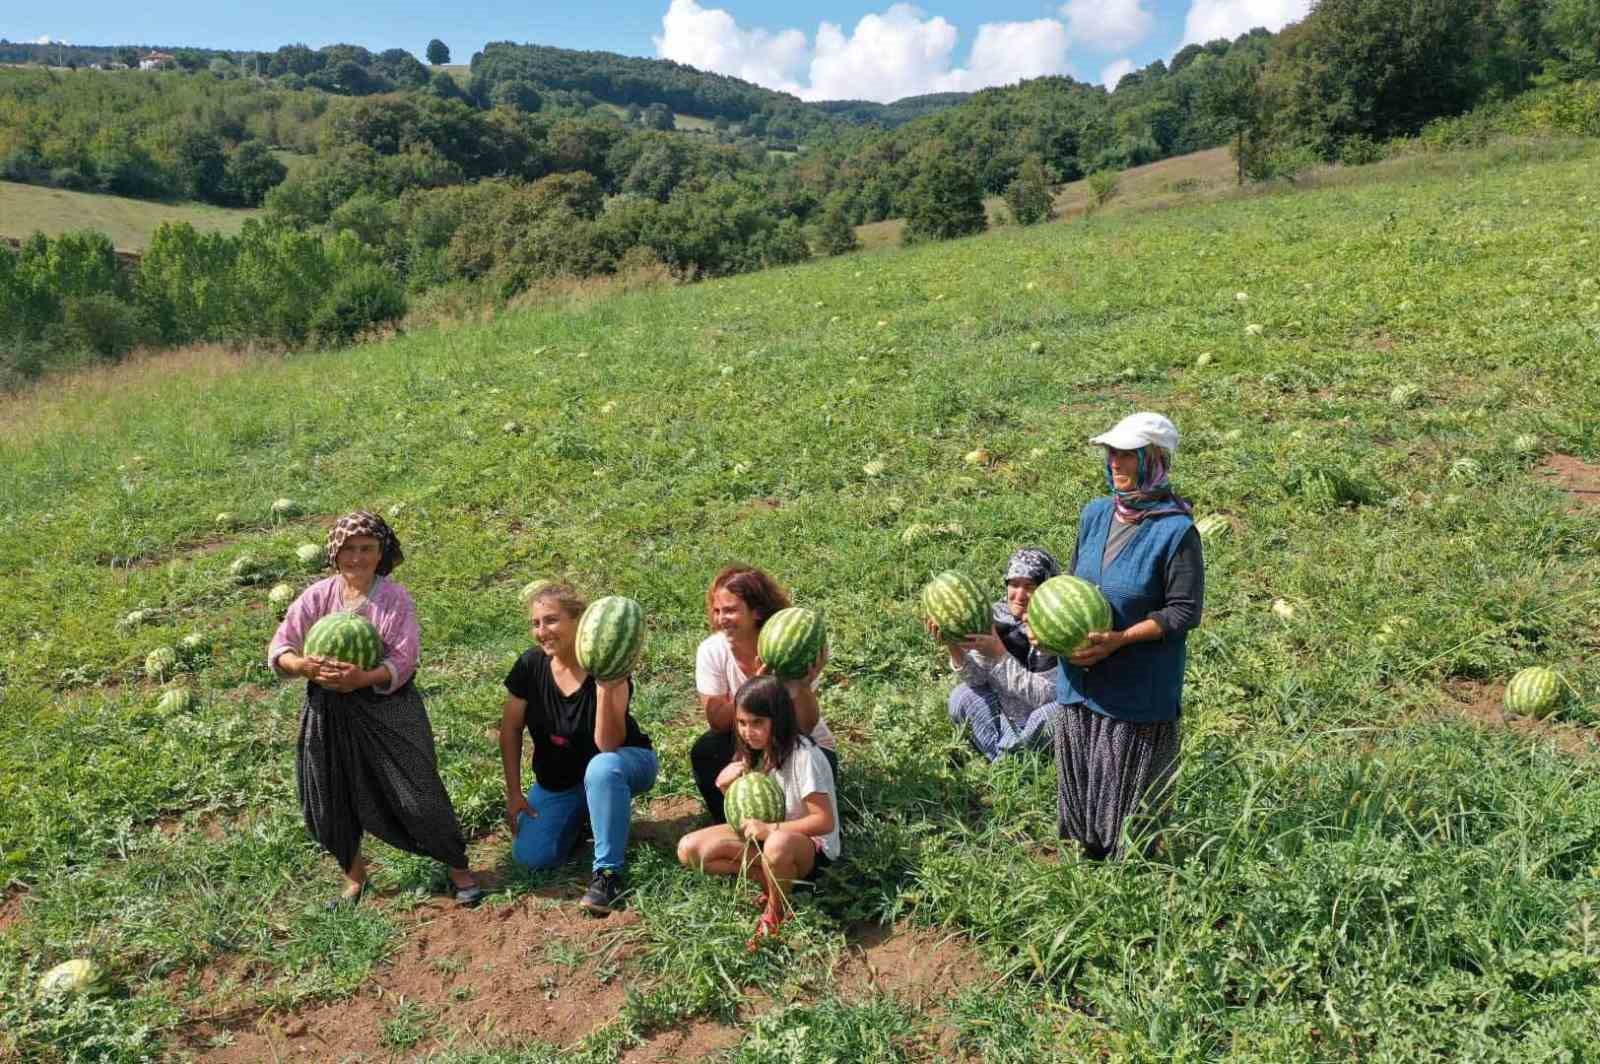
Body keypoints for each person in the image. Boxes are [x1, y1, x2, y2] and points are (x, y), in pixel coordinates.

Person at [268, 511, 482, 908]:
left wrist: (362, 678)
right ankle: (354, 878)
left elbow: (405, 659)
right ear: (335, 553)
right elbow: (281, 647)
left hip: (387, 709)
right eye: (349, 549)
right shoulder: (316, 597)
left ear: (381, 552)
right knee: (329, 793)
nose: (357, 558)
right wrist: (303, 666)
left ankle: (458, 869)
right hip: (327, 710)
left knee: (418, 793)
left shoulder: (395, 599)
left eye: (367, 549)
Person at [1053, 412, 1204, 860]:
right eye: (1111, 452)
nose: (1114, 461)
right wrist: (1049, 632)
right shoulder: (1095, 514)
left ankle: (1132, 884)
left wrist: (1120, 639)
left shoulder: (1177, 531)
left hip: (1136, 693)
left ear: (1153, 458)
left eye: (1126, 453)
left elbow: (1184, 611)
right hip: (1079, 685)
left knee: (1127, 815)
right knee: (1084, 800)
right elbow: (1072, 583)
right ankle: (1088, 871)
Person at [500, 583, 658, 916]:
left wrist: (603, 687)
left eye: (552, 620)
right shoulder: (530, 666)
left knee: (601, 768)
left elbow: (608, 744)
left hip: (624, 764)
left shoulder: (611, 669)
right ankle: (588, 818)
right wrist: (514, 793)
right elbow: (511, 729)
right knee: (532, 857)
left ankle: (608, 874)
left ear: (580, 622)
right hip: (560, 781)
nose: (542, 631)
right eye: (536, 623)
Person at [676, 676, 841, 950]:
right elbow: (747, 817)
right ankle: (776, 881)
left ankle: (777, 911)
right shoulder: (754, 753)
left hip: (811, 849)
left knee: (776, 844)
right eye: (742, 723)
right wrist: (725, 789)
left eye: (757, 723)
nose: (748, 731)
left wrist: (771, 830)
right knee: (689, 850)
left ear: (778, 719)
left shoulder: (804, 756)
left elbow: (824, 821)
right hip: (769, 841)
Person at [689, 566, 836, 822]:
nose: (720, 619)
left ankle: (794, 830)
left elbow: (804, 726)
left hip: (799, 745)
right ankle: (732, 824)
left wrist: (801, 687)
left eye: (730, 610)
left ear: (756, 611)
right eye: (717, 610)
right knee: (706, 749)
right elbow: (717, 721)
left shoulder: (788, 649)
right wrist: (755, 683)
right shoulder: (712, 651)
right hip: (750, 743)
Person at [931, 547, 1063, 761]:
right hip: (1004, 716)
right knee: (962, 696)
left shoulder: (1056, 626)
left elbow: (1046, 696)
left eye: (1030, 586)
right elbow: (977, 679)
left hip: (1036, 720)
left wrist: (999, 655)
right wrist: (953, 646)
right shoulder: (994, 617)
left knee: (1056, 714)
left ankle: (1006, 760)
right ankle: (1009, 758)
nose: (1019, 595)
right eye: (1014, 584)